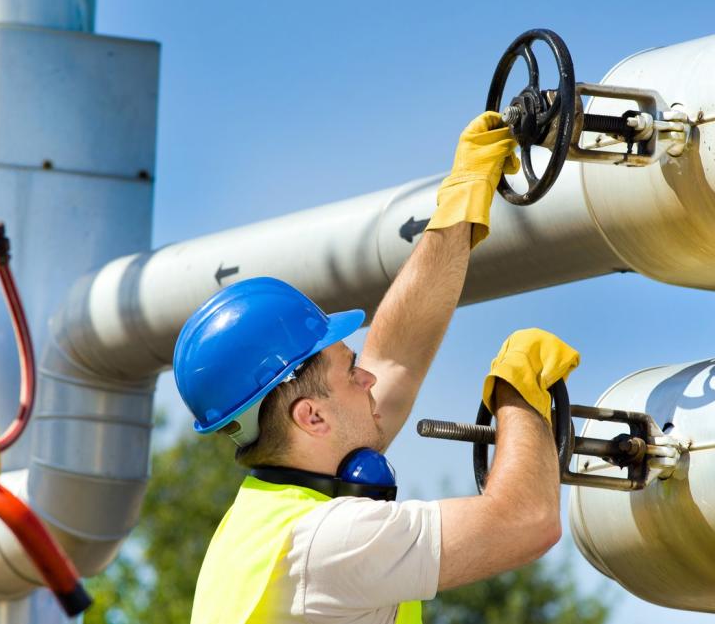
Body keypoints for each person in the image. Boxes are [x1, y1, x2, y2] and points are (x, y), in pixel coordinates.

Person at [173, 112, 581, 624]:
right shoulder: (330, 541)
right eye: (350, 372)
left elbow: (395, 357)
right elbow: (525, 522)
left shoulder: (265, 522)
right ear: (311, 418)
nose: (367, 376)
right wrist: (518, 396)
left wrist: (460, 208)